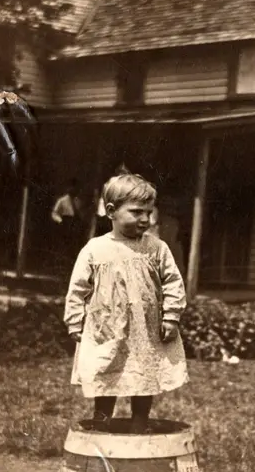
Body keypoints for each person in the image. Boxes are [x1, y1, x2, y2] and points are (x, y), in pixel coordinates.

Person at [64, 172, 188, 431]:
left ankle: (139, 426)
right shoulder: (95, 249)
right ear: (111, 211)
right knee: (106, 374)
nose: (145, 219)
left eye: (149, 212)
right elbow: (77, 289)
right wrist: (75, 321)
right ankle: (101, 426)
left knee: (144, 374)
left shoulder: (156, 248)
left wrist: (171, 316)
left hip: (145, 330)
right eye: (136, 212)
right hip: (107, 329)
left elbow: (173, 282)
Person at [51, 178, 87, 257]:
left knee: (74, 246)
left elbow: (81, 213)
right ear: (67, 188)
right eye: (71, 187)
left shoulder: (78, 201)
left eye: (75, 187)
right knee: (64, 246)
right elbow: (54, 213)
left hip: (75, 225)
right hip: (65, 224)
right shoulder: (62, 200)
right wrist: (60, 221)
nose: (72, 189)